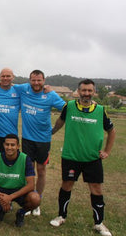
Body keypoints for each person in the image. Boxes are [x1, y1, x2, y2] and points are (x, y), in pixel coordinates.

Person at [49, 79, 115, 236]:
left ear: (94, 92)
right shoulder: (69, 106)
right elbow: (60, 121)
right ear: (78, 91)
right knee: (67, 185)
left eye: (89, 91)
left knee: (96, 189)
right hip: (71, 156)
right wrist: (51, 132)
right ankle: (61, 216)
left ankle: (99, 223)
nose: (86, 93)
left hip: (92, 158)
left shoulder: (100, 110)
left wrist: (107, 151)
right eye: (83, 90)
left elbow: (111, 131)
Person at [12, 70, 65, 216]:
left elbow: (67, 109)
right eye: (33, 80)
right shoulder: (24, 89)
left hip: (43, 140)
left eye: (39, 80)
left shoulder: (51, 94)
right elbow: (7, 84)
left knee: (41, 171)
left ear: (44, 80)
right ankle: (30, 200)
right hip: (27, 139)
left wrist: (54, 129)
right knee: (29, 171)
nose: (36, 83)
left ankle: (38, 201)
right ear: (29, 80)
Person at [0, 134, 40, 227]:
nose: (9, 147)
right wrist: (1, 196)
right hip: (1, 190)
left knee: (35, 198)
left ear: (18, 146)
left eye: (12, 145)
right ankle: (1, 208)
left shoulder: (25, 159)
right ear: (3, 145)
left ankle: (21, 213)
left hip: (18, 190)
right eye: (7, 144)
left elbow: (31, 185)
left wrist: (10, 197)